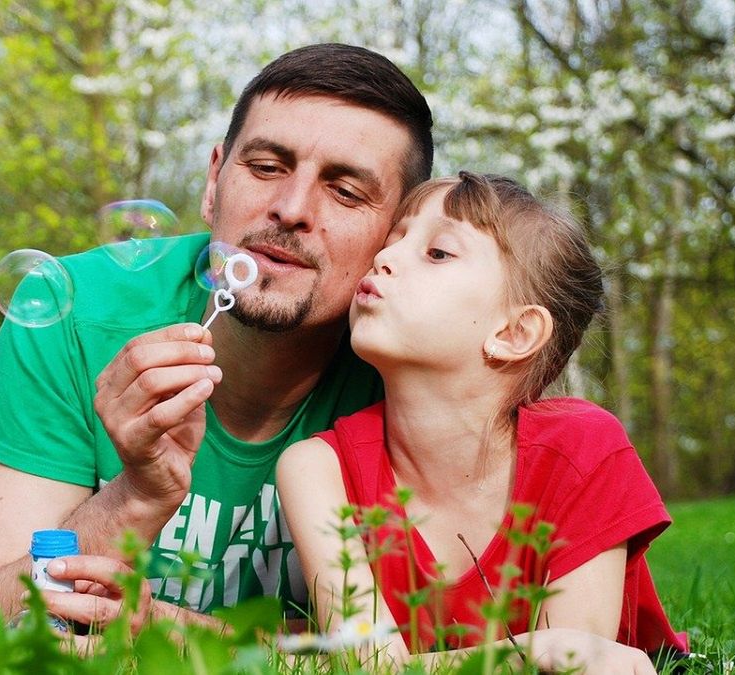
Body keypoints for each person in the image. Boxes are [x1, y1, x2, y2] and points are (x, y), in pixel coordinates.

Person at [0, 43, 434, 629]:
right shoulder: (69, 309)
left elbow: (417, 647)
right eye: (266, 167)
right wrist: (135, 497)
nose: (291, 208)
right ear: (213, 182)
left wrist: (179, 637)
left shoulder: (419, 366)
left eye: (346, 191)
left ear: (396, 237)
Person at [276, 172, 687, 672]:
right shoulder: (316, 468)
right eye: (395, 238)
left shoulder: (584, 449)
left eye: (438, 253)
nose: (384, 257)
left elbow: (584, 664)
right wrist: (536, 651)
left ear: (514, 333)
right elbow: (368, 664)